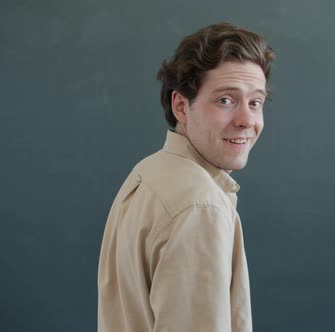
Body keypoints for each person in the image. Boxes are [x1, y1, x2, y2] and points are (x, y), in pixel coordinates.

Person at [97, 22, 275, 332]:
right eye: (225, 100)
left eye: (255, 102)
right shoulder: (201, 206)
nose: (247, 120)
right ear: (181, 105)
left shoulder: (149, 172)